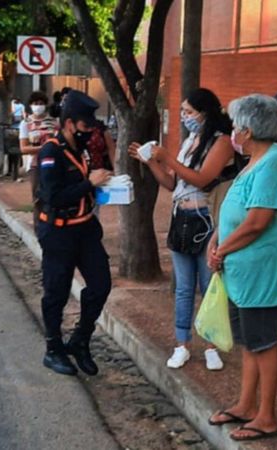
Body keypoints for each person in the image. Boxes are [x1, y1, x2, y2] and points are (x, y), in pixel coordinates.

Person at [207, 94, 277, 441]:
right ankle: (246, 405)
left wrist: (222, 251)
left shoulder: (274, 163)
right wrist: (217, 238)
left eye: (235, 127)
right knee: (249, 341)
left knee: (263, 342)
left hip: (262, 270)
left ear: (247, 131)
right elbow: (238, 210)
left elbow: (256, 222)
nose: (232, 132)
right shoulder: (256, 159)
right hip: (242, 269)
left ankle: (266, 417)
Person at [128, 88, 235, 371]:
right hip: (181, 219)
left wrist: (166, 157)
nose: (185, 117)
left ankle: (212, 344)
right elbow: (172, 183)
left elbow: (202, 179)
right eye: (183, 112)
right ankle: (182, 343)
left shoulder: (221, 142)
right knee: (184, 288)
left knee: (208, 286)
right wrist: (151, 161)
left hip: (207, 222)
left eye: (189, 111)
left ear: (206, 112)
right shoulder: (189, 142)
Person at [36, 90, 112, 376]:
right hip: (58, 231)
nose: (90, 129)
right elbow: (54, 196)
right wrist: (89, 184)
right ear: (69, 123)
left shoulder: (79, 150)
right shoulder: (50, 152)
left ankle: (80, 339)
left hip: (85, 229)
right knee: (56, 291)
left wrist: (103, 185)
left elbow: (84, 185)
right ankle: (53, 348)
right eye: (85, 125)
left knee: (101, 284)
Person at [19, 91, 59, 231]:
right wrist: (44, 148)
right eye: (36, 104)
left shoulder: (54, 123)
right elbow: (23, 148)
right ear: (30, 105)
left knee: (53, 194)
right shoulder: (26, 124)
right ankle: (39, 226)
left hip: (53, 164)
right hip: (35, 165)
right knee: (38, 197)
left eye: (41, 104)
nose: (38, 106)